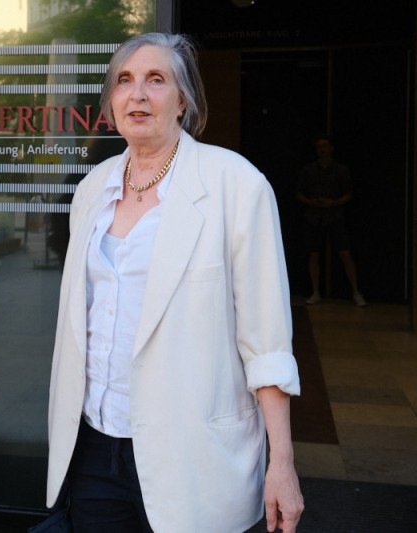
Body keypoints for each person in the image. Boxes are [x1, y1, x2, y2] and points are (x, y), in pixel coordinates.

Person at [44, 33, 304, 532]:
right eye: (124, 80)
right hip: (95, 449)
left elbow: (267, 340)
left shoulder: (235, 183)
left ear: (183, 99)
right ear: (111, 100)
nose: (137, 94)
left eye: (156, 80)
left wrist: (283, 463)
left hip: (192, 454)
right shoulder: (92, 188)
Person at [296, 135, 366, 306]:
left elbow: (349, 194)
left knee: (345, 253)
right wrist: (311, 202)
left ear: (331, 148)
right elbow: (298, 193)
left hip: (335, 215)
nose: (322, 149)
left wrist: (333, 203)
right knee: (313, 254)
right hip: (313, 216)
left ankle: (356, 292)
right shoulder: (308, 170)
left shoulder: (341, 170)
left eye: (325, 146)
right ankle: (315, 292)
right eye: (319, 147)